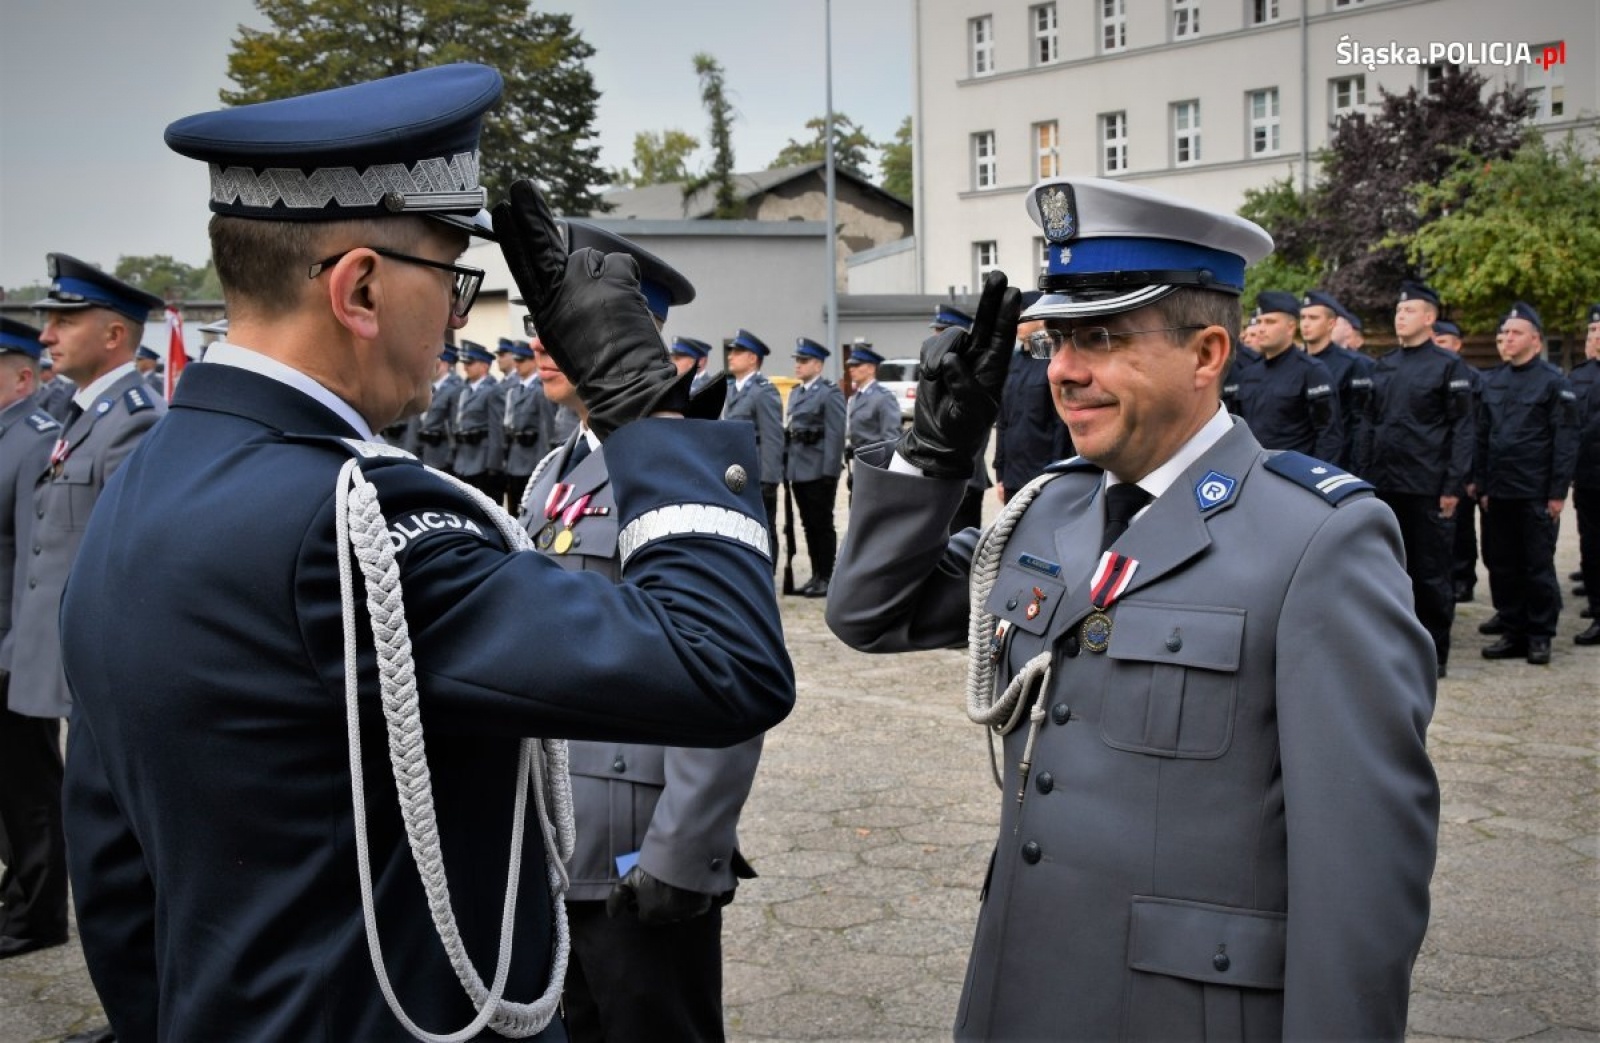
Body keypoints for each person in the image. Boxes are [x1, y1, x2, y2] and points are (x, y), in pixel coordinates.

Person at [58, 64, 793, 1043]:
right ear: (359, 287)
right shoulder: (351, 517)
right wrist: (643, 408)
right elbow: (724, 665)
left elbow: (113, 859)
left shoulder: (146, 484)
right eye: (451, 280)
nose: (457, 319)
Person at [826, 176, 1439, 1041]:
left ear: (1207, 353)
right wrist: (936, 452)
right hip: (1020, 993)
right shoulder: (1050, 511)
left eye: (1105, 337)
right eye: (1060, 339)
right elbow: (869, 612)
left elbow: (1362, 879)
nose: (1067, 370)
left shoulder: (1317, 542)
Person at [513, 222, 765, 1043]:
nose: (543, 344)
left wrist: (684, 850)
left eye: (567, 323)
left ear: (628, 334)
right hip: (553, 839)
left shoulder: (683, 470)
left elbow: (727, 670)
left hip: (634, 847)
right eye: (538, 325)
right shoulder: (554, 474)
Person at [1, 253, 165, 968]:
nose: (49, 333)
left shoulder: (132, 420)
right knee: (104, 856)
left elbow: (124, 563)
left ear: (114, 335)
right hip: (68, 668)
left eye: (66, 319)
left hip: (104, 672)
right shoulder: (80, 417)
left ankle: (149, 1004)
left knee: (128, 852)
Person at [1359, 280, 1475, 677]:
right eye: (1397, 311)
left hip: (1427, 486)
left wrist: (1452, 486)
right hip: (1386, 484)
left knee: (1430, 573)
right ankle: (1392, 646)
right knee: (1387, 571)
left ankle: (1433, 652)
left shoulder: (1448, 367)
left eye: (1408, 311)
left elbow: (1463, 429)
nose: (1400, 316)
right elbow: (1369, 426)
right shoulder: (1384, 365)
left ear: (1429, 318)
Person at [0, 319, 64, 960]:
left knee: (28, 788)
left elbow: (33, 559)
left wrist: (20, 653)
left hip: (11, 647)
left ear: (23, 377)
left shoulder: (34, 441)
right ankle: (17, 888)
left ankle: (37, 912)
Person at [1474, 302, 1578, 666]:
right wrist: (1482, 485)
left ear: (1535, 339)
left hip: (1534, 491)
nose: (1505, 339)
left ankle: (1539, 635)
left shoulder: (1554, 382)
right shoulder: (1493, 381)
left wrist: (1556, 492)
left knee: (1536, 566)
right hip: (1498, 492)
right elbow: (1483, 435)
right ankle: (1513, 630)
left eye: (1514, 333)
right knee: (1501, 565)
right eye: (1502, 334)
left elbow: (1565, 440)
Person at [1234, 291, 1342, 460]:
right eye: (1260, 322)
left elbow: (1328, 434)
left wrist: (1315, 480)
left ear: (1290, 327)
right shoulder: (1249, 373)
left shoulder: (1312, 371)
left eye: (1270, 322)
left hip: (1293, 472)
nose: (1261, 328)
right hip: (1253, 469)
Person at [994, 297, 1074, 504]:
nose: (1017, 322)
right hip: (1013, 476)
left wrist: (1057, 470)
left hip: (1042, 474)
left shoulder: (1052, 362)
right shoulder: (1013, 363)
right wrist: (1000, 473)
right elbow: (1003, 422)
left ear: (1040, 320)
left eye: (1023, 317)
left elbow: (1060, 424)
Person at [784, 337, 846, 597]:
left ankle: (828, 576)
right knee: (808, 525)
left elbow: (835, 434)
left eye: (804, 361)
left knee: (822, 525)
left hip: (819, 470)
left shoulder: (829, 393)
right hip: (799, 469)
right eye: (797, 360)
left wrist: (830, 473)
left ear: (818, 366)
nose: (798, 365)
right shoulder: (798, 392)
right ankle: (815, 574)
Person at [1429, 319, 1485, 602]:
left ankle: (1464, 578)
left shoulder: (1472, 378)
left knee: (1463, 530)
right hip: (1438, 465)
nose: (1437, 347)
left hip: (1464, 465)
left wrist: (1474, 474)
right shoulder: (1431, 375)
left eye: (1443, 342)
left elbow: (1475, 429)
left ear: (1457, 345)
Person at [722, 329, 784, 559]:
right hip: (735, 474)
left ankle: (768, 579)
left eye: (738, 352)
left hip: (757, 473)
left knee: (765, 529)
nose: (731, 356)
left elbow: (772, 436)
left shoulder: (762, 391)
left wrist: (769, 477)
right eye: (731, 351)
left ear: (752, 358)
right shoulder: (731, 390)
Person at [1299, 289, 1373, 471]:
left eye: (1314, 318)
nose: (1306, 324)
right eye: (1303, 317)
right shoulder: (1294, 364)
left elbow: (1361, 423)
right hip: (1299, 458)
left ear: (1331, 323)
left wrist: (1358, 469)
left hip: (1339, 462)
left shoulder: (1352, 364)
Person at [1570, 304, 1600, 644]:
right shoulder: (1579, 376)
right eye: (1591, 330)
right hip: (1589, 479)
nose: (1595, 335)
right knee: (1592, 547)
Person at [499, 337, 551, 513]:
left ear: (533, 361)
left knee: (529, 509)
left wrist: (543, 465)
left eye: (521, 361)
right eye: (516, 361)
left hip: (532, 459)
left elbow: (546, 429)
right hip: (514, 458)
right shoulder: (514, 390)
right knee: (513, 509)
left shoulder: (540, 389)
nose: (517, 365)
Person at [449, 339, 504, 499]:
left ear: (485, 365)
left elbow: (496, 430)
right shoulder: (464, 390)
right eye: (465, 363)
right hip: (462, 459)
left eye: (471, 363)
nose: (466, 367)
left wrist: (493, 465)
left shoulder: (493, 391)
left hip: (481, 459)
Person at [842, 342, 901, 482]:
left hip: (876, 468)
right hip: (859, 465)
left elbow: (891, 439)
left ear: (871, 368)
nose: (851, 369)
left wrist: (884, 473)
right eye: (851, 366)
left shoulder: (883, 397)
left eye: (857, 365)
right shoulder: (855, 398)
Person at [415, 344, 462, 473]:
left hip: (443, 454)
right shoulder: (426, 387)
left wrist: (452, 457)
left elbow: (455, 426)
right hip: (424, 452)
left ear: (446, 364)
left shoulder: (455, 388)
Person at [34, 353, 75, 423]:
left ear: (51, 371)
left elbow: (53, 415)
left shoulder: (57, 389)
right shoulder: (43, 388)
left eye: (42, 371)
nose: (39, 374)